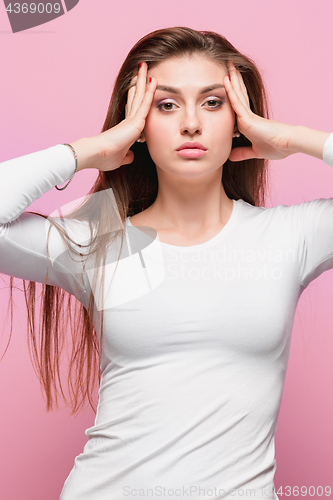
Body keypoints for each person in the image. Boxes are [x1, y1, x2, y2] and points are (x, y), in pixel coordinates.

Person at [0, 26, 332, 500]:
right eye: (167, 104)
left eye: (213, 102)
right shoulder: (99, 238)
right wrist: (91, 151)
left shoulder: (291, 234)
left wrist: (293, 138)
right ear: (138, 121)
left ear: (240, 117)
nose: (191, 123)